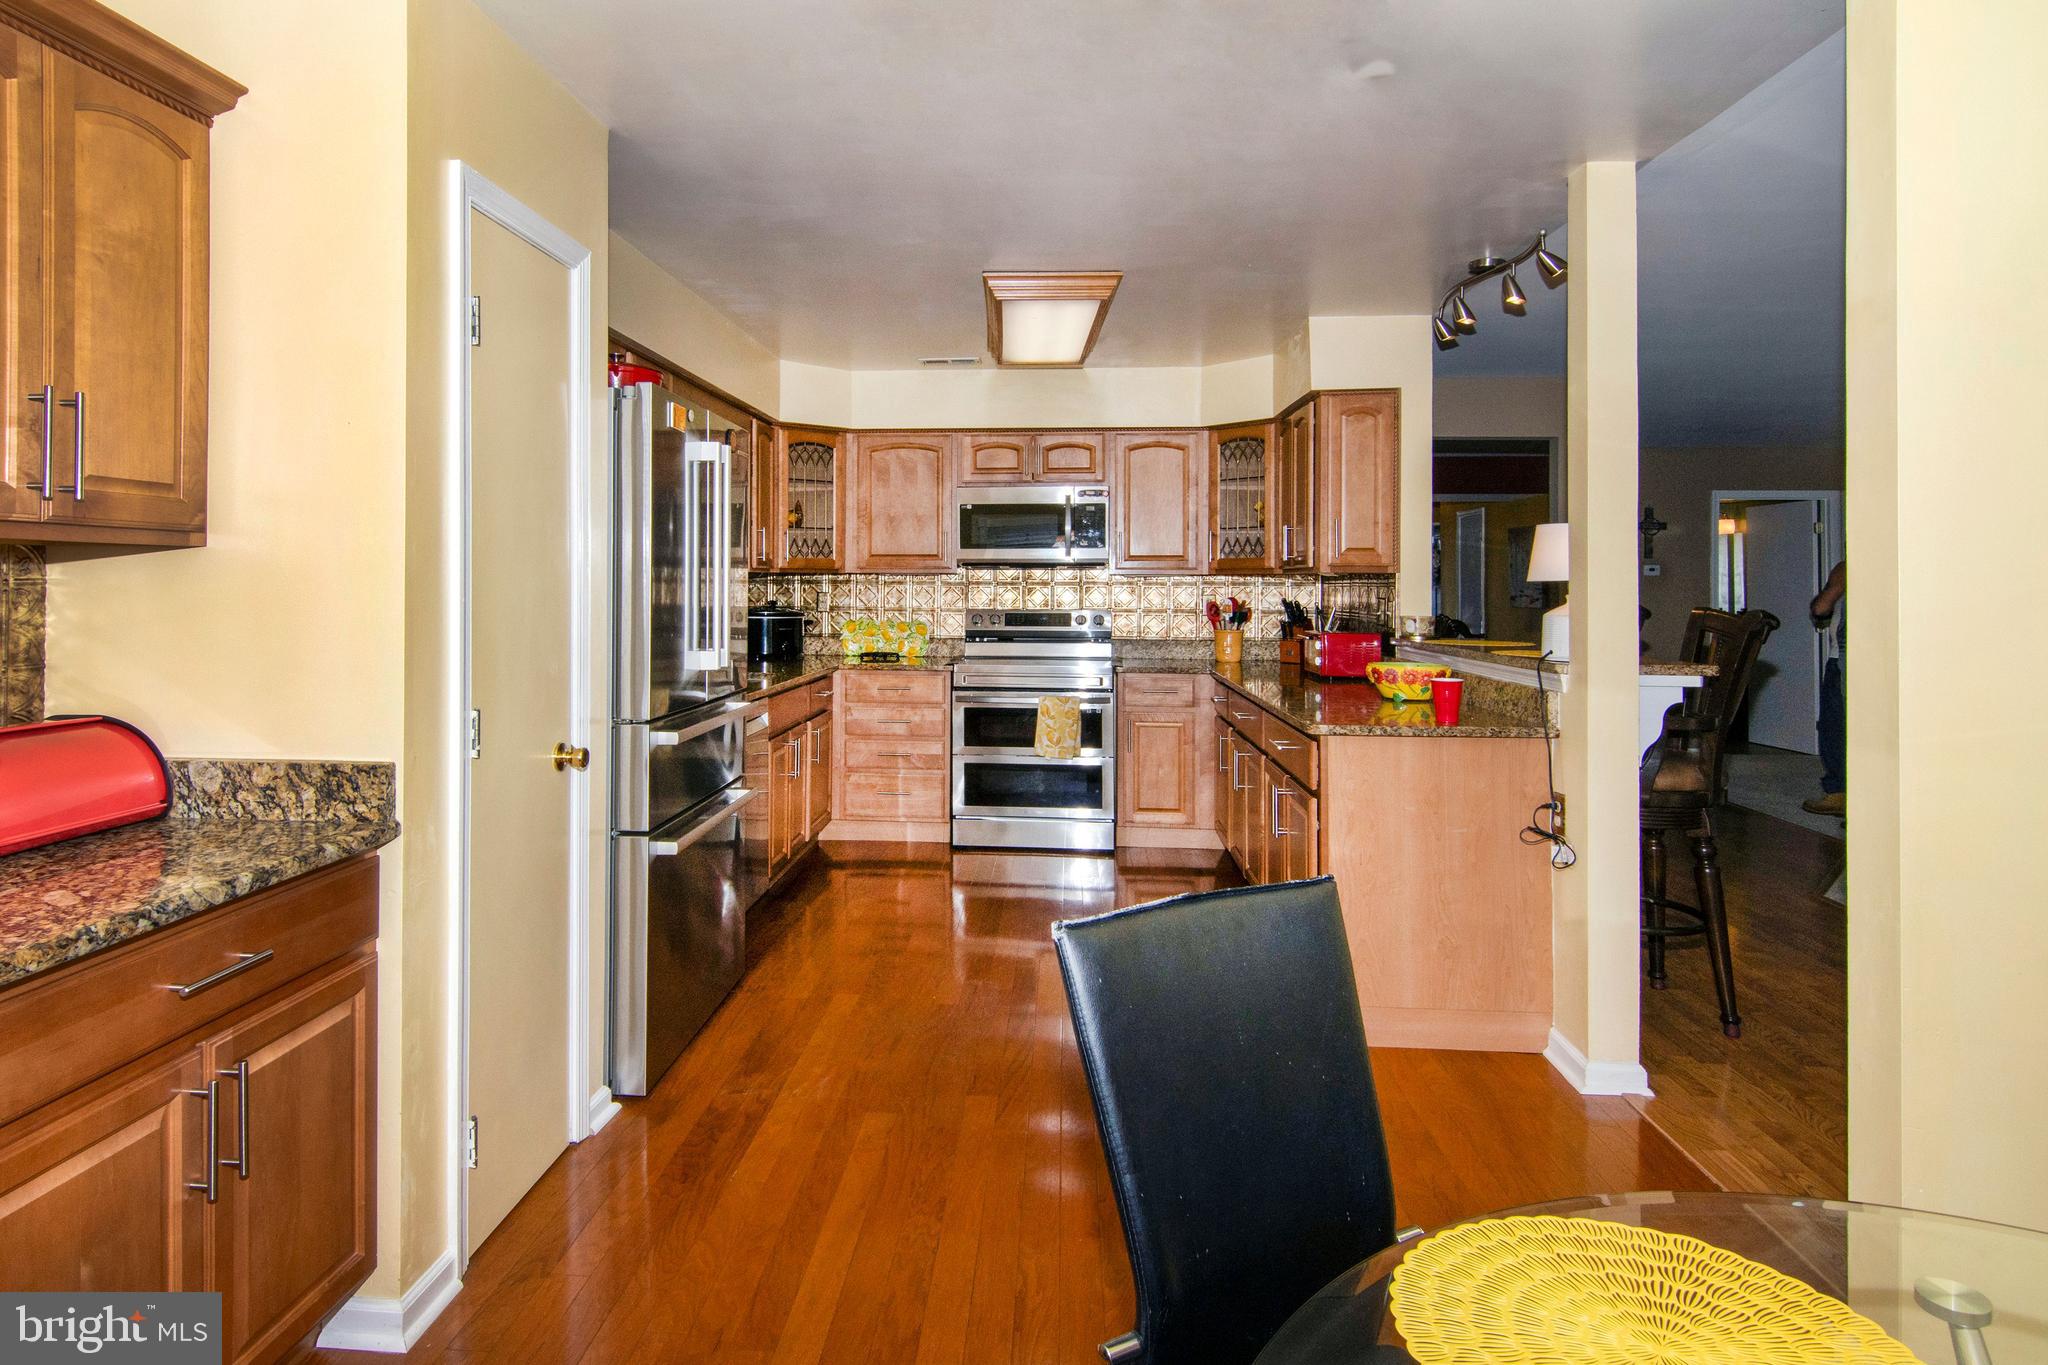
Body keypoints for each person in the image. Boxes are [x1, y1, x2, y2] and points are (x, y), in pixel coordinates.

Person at [1803, 561, 1846, 816]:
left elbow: (1821, 608)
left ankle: (1838, 791)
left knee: (1834, 726)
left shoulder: (1848, 567)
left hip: (1842, 658)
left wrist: (1837, 583)